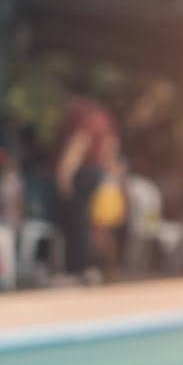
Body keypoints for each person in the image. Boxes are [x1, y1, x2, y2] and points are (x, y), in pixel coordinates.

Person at [51, 86, 121, 282]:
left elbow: (78, 145)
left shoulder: (83, 116)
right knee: (98, 226)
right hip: (99, 175)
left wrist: (64, 174)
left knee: (77, 223)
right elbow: (111, 150)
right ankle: (99, 269)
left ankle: (77, 270)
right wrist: (112, 179)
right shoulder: (105, 118)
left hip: (83, 174)